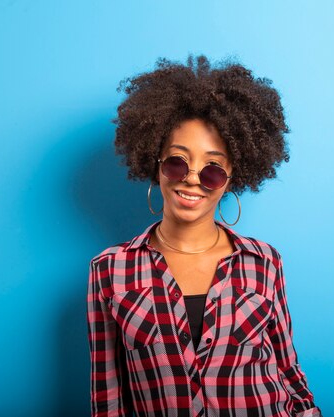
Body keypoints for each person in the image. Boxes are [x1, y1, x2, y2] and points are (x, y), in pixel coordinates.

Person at [87, 54, 321, 417]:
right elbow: (107, 398)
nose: (193, 178)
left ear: (231, 179)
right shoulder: (109, 271)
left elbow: (289, 373)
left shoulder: (264, 263)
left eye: (212, 169)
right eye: (177, 162)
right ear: (155, 163)